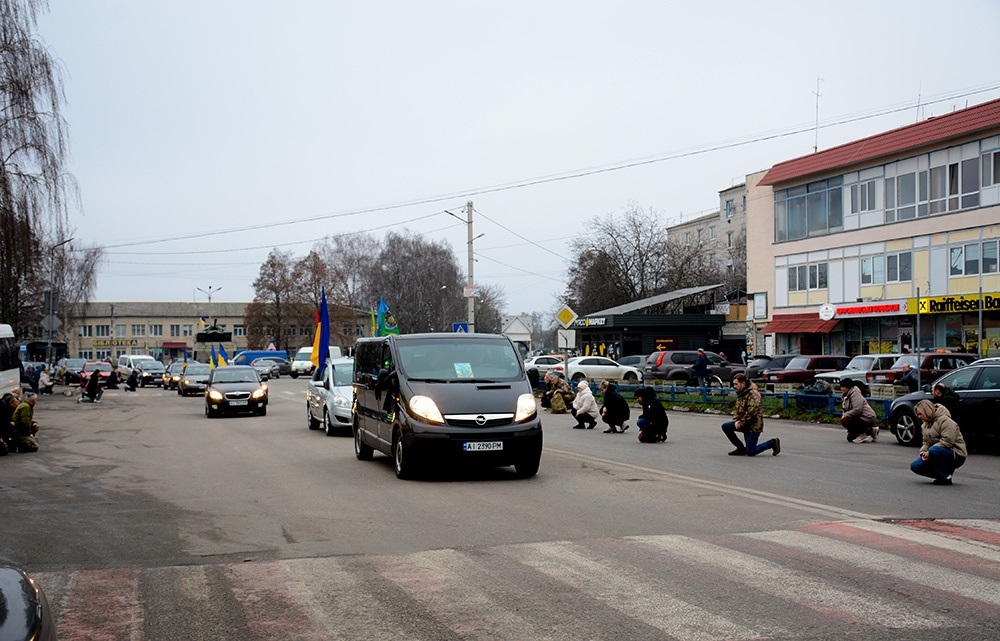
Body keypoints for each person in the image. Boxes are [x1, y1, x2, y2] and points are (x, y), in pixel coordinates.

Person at [910, 399, 967, 485]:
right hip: (935, 452)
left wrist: (930, 451)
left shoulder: (945, 421)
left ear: (927, 412)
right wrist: (923, 452)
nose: (919, 417)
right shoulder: (925, 425)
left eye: (920, 414)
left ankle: (945, 476)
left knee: (934, 450)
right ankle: (942, 475)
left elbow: (948, 441)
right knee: (915, 466)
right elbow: (926, 442)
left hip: (956, 453)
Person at [722, 373, 780, 456]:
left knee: (750, 452)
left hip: (753, 425)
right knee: (725, 426)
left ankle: (772, 443)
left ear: (743, 383)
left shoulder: (753, 394)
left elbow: (752, 412)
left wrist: (741, 423)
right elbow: (738, 410)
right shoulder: (741, 393)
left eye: (736, 384)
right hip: (743, 423)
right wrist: (736, 421)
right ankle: (740, 448)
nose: (734, 386)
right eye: (734, 384)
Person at [840, 378, 878, 443]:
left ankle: (862, 434)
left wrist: (846, 415)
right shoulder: (846, 396)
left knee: (845, 420)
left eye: (843, 387)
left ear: (848, 387)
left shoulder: (855, 394)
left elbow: (857, 409)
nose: (841, 389)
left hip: (866, 417)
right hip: (858, 417)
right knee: (850, 438)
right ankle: (871, 430)